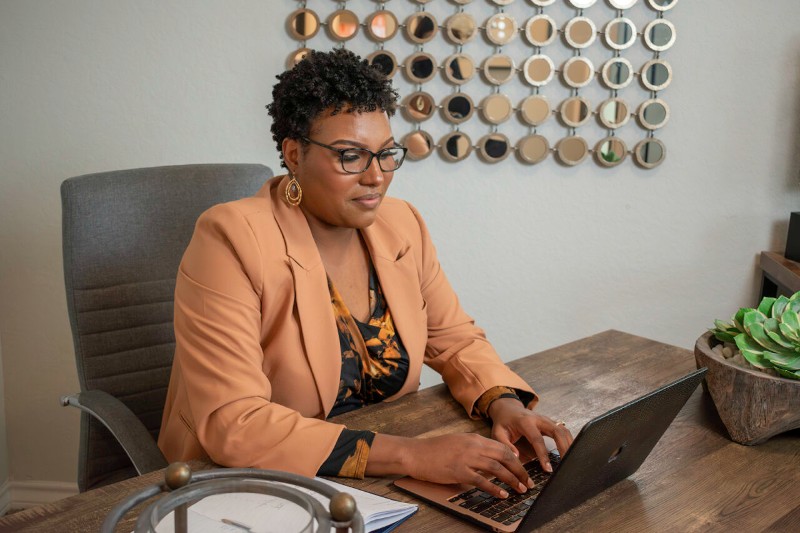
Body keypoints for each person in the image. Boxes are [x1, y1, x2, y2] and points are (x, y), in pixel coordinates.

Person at [158, 49, 573, 500]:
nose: (376, 177)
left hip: (378, 484)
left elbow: (453, 337)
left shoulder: (402, 223)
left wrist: (505, 404)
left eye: (386, 154)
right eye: (351, 156)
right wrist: (414, 455)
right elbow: (234, 422)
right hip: (253, 484)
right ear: (294, 155)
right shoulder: (230, 238)